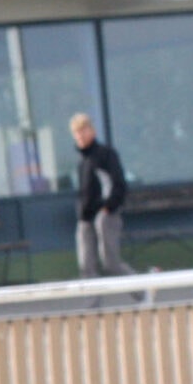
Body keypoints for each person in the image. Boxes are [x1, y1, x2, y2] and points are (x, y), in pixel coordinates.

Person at [73, 113, 135, 278]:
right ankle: (92, 304)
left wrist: (108, 208)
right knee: (86, 266)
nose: (80, 135)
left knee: (111, 264)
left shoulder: (106, 155)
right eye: (77, 132)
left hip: (105, 216)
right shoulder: (82, 162)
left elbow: (118, 185)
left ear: (92, 131)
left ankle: (143, 292)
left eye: (83, 130)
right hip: (86, 218)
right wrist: (82, 213)